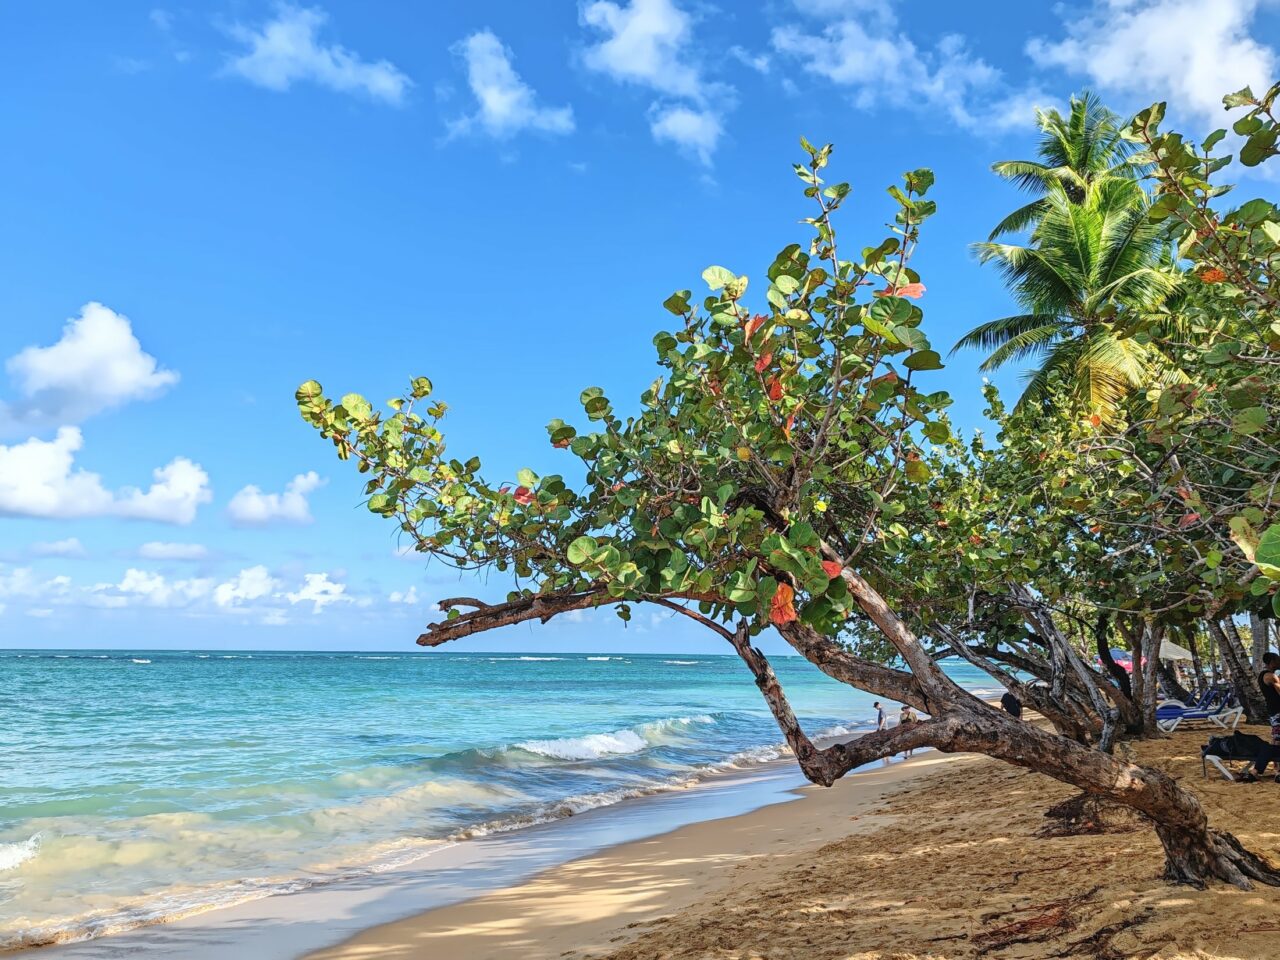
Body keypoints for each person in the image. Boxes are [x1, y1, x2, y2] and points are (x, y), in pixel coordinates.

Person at [1241, 652, 1280, 783]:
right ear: (1272, 662)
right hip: (1278, 713)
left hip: (1274, 712)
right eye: (1278, 660)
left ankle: (1271, 771)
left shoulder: (1265, 675)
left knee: (1276, 741)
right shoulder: (1270, 676)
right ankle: (1260, 770)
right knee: (1277, 742)